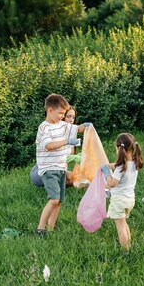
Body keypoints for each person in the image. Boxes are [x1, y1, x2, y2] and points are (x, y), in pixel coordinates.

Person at [35, 94, 92, 236]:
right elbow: (49, 146)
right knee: (53, 199)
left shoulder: (61, 125)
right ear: (49, 111)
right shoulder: (44, 128)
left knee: (58, 201)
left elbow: (77, 128)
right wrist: (67, 142)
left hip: (61, 168)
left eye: (63, 113)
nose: (62, 116)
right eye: (60, 113)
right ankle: (40, 229)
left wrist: (86, 126)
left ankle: (50, 229)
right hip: (49, 169)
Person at [101, 133, 143, 251]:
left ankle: (125, 251)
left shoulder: (120, 167)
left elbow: (111, 184)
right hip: (130, 199)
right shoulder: (134, 163)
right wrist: (112, 166)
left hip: (119, 200)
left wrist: (107, 172)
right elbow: (122, 168)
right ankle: (128, 246)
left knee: (120, 227)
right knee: (124, 224)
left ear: (119, 148)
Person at [30, 104, 79, 187]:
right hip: (39, 171)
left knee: (73, 178)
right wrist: (75, 158)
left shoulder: (71, 135)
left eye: (73, 117)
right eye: (68, 116)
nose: (71, 120)